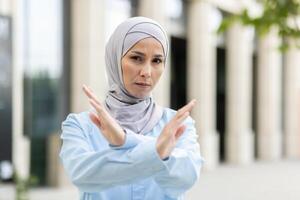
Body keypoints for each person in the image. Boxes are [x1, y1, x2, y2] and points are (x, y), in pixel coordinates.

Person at [59, 16, 204, 200]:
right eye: (136, 58)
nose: (147, 72)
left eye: (157, 61)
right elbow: (83, 176)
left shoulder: (178, 124)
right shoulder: (80, 125)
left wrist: (126, 141)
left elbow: (186, 177)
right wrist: (159, 152)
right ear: (115, 59)